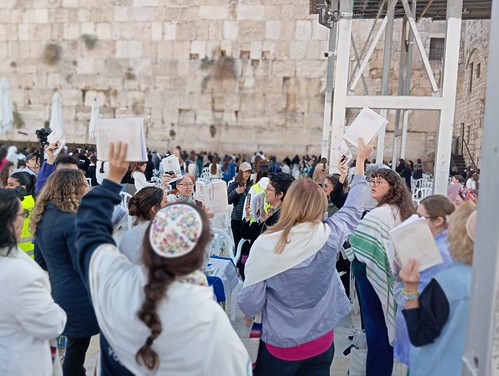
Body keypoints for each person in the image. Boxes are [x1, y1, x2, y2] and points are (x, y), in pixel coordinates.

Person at [73, 142, 251, 374]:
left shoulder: (116, 285)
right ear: (197, 257)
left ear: (149, 244)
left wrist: (111, 180)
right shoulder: (207, 319)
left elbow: (88, 234)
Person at [238, 139, 373, 376]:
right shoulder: (328, 235)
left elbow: (250, 302)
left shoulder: (266, 245)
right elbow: (352, 211)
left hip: (281, 344)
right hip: (321, 341)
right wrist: (360, 162)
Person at [31, 169, 98, 376]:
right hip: (78, 295)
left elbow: (41, 260)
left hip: (56, 289)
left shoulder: (44, 215)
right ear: (73, 189)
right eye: (84, 185)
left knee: (70, 350)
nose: (88, 188)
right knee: (76, 353)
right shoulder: (72, 221)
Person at [349, 167, 415, 376]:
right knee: (384, 329)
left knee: (376, 331)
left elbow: (356, 241)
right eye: (372, 181)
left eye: (379, 182)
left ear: (392, 188)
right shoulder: (400, 210)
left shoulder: (379, 214)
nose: (373, 185)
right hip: (388, 276)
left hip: (371, 278)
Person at [400, 202, 476, 376]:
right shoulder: (489, 277)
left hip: (438, 367)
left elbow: (419, 334)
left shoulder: (448, 282)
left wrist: (410, 288)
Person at [0, 188, 67, 376]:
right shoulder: (21, 275)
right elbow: (52, 324)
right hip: (17, 363)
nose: (25, 219)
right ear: (10, 223)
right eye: (23, 214)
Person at [393, 195, 455, 367]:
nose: (415, 223)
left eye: (421, 218)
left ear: (438, 221)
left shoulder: (437, 252)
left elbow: (415, 294)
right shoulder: (443, 242)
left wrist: (399, 280)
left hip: (421, 326)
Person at [239, 172, 295, 277]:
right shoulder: (271, 212)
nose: (265, 191)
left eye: (268, 189)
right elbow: (246, 234)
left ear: (280, 194)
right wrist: (249, 218)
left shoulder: (281, 218)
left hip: (262, 271)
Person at [119, 186, 167, 264]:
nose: (169, 204)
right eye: (166, 201)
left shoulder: (128, 235)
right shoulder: (160, 234)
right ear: (154, 209)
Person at [6, 171, 37, 256]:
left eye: (11, 185)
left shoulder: (15, 205)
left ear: (22, 188)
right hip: (32, 255)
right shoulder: (34, 201)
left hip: (15, 254)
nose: (6, 187)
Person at [228, 162, 253, 249]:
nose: (247, 174)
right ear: (240, 172)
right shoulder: (234, 185)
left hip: (247, 219)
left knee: (246, 245)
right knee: (238, 245)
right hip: (237, 219)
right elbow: (228, 201)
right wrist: (236, 192)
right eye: (245, 172)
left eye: (249, 172)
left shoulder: (251, 185)